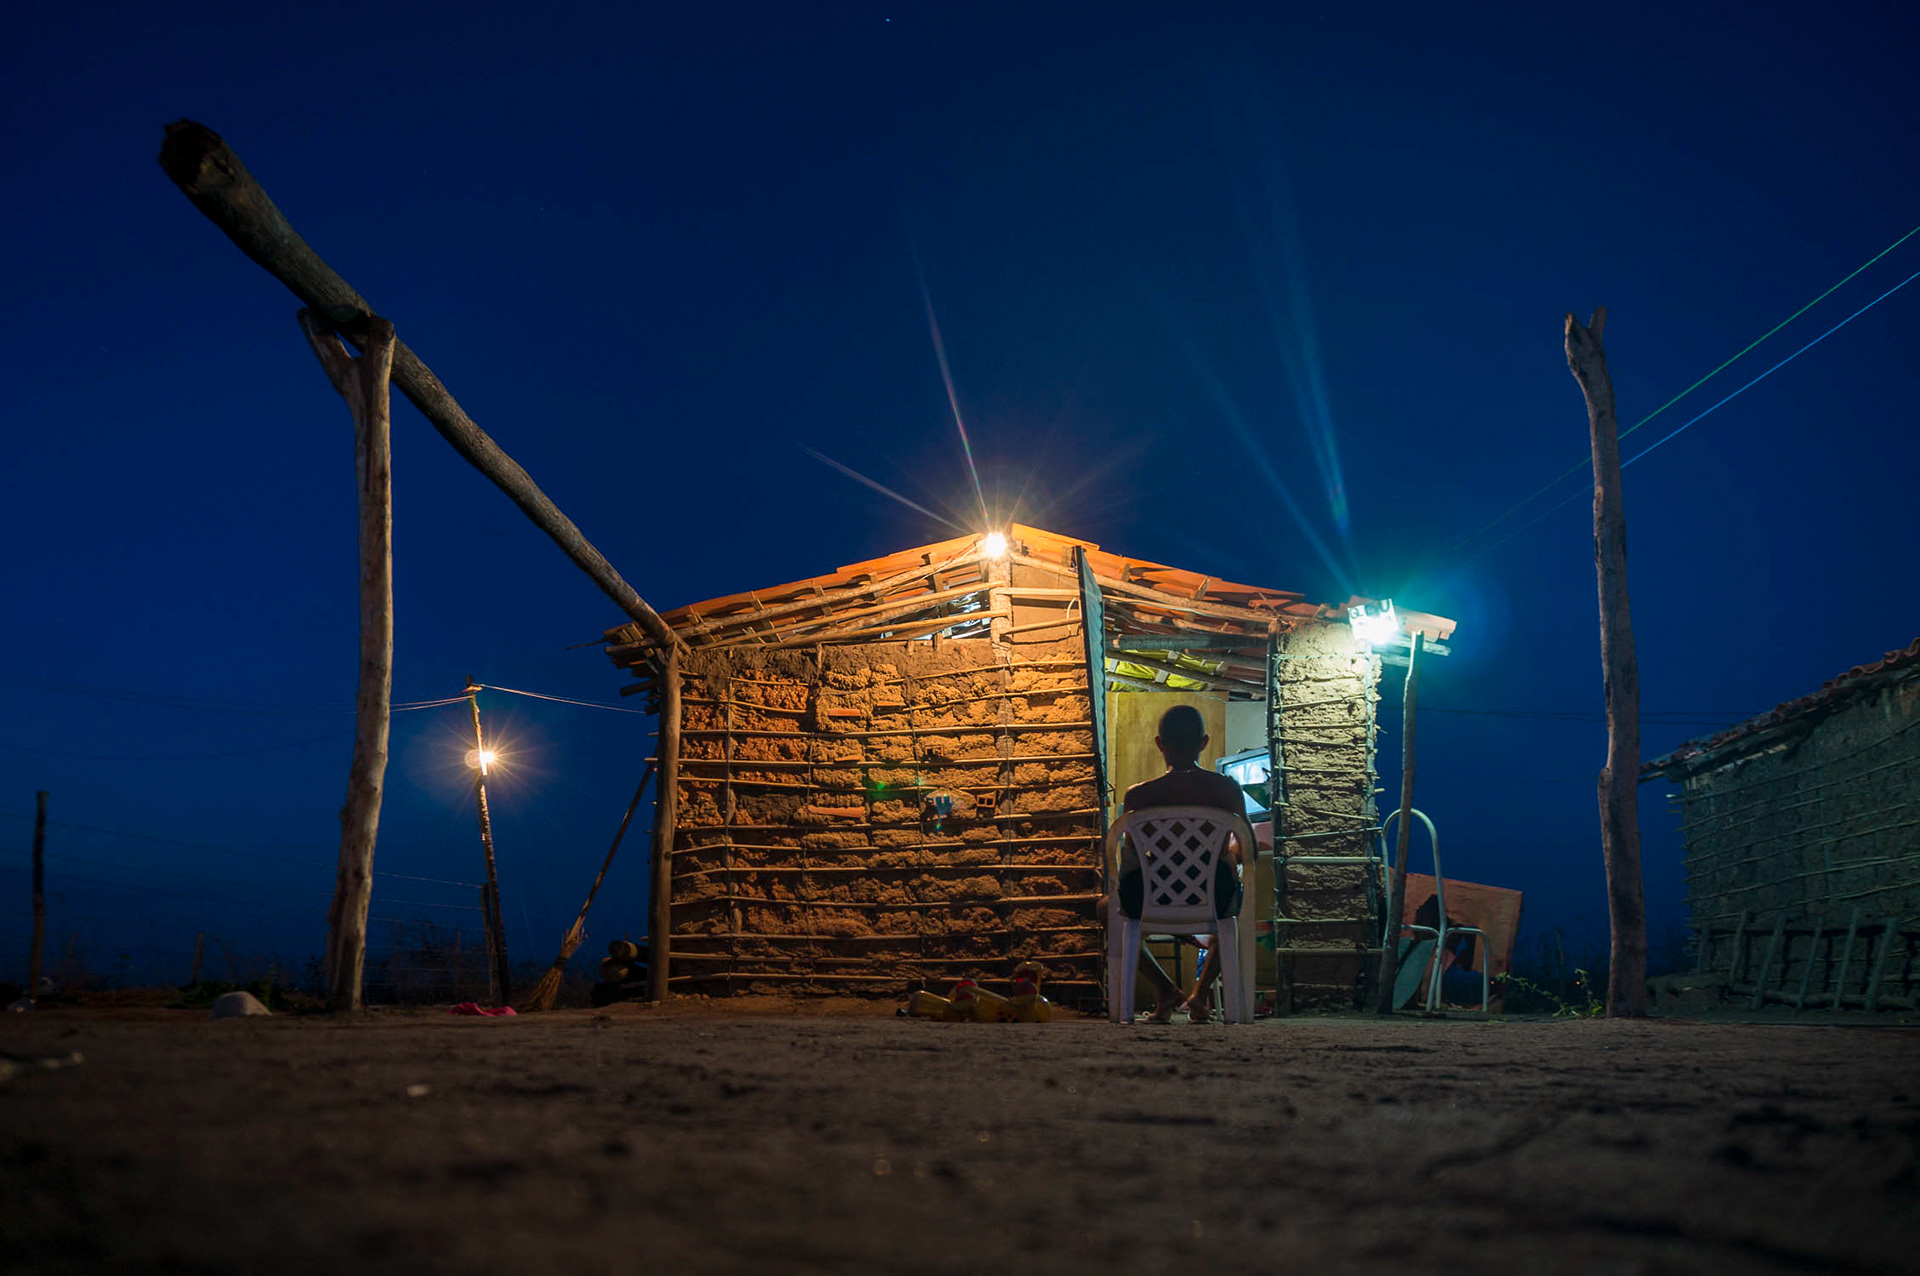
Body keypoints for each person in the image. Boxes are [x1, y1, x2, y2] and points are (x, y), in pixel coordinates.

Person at [1103, 703, 1247, 1023]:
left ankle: (1166, 990)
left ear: (1160, 744)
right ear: (1204, 742)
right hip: (1213, 896)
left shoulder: (1138, 796)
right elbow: (1246, 845)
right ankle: (1201, 994)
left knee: (1105, 909)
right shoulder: (1227, 789)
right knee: (1232, 912)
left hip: (1154, 896)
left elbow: (1133, 854)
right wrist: (1228, 853)